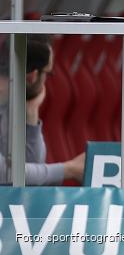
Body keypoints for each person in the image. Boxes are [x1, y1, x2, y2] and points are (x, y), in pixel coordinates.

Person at [0, 36, 85, 185]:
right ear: (32, 76)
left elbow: (31, 171)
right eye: (48, 73)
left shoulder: (10, 103)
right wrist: (69, 169)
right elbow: (5, 172)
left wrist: (31, 113)